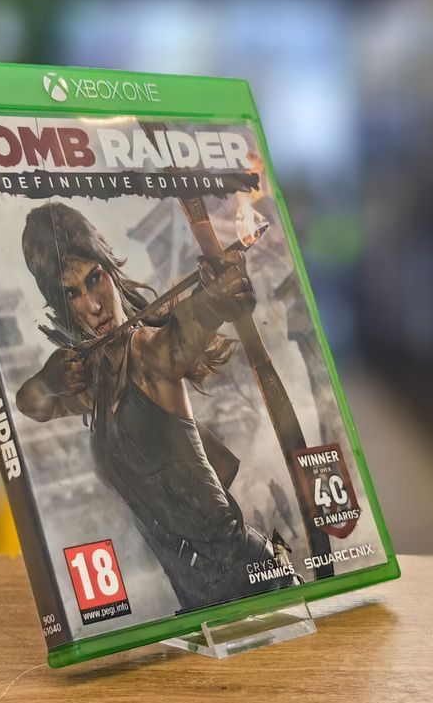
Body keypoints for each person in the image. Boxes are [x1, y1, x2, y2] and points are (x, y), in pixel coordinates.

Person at [17, 202, 289, 610]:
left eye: (94, 278)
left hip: (249, 580)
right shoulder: (93, 384)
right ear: (62, 305)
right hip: (197, 598)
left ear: (110, 271)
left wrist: (215, 298)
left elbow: (179, 339)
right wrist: (48, 381)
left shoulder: (146, 353)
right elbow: (31, 405)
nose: (93, 305)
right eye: (72, 293)